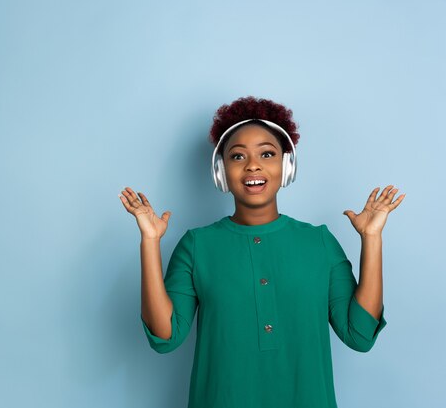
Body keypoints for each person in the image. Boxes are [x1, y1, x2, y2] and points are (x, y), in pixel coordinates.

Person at [118, 95, 405, 408]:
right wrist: (149, 242)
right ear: (221, 170)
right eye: (237, 156)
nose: (253, 165)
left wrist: (372, 239)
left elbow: (360, 335)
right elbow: (165, 338)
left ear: (287, 165)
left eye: (267, 154)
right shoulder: (196, 246)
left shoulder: (320, 243)